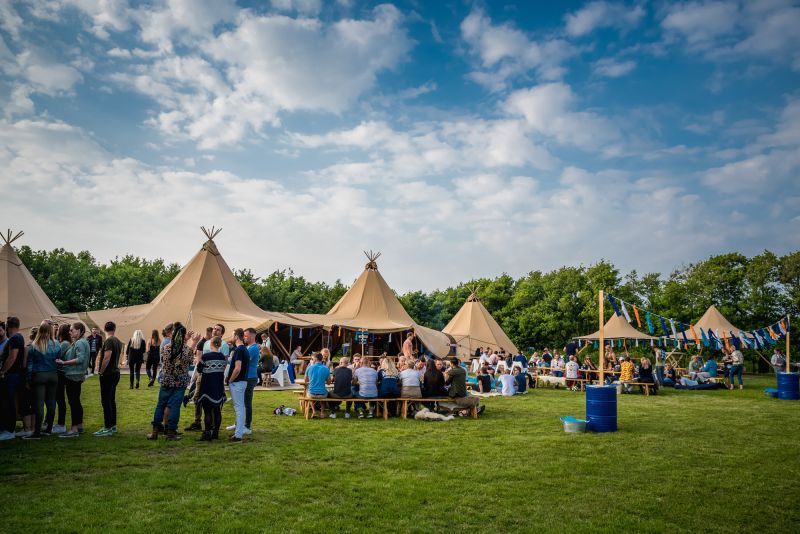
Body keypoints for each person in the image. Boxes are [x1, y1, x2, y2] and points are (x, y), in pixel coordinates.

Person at [146, 323, 200, 441]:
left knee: (160, 405)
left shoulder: (166, 348)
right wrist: (193, 343)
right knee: (175, 407)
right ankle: (171, 433)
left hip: (166, 380)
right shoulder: (186, 350)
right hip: (180, 382)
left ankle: (155, 432)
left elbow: (164, 362)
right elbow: (190, 361)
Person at [23, 323, 61, 439]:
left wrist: (28, 379)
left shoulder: (34, 345)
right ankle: (48, 429)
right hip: (53, 375)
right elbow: (58, 359)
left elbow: (30, 365)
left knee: (38, 405)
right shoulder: (57, 344)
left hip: (39, 375)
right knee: (51, 403)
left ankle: (37, 432)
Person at [55, 322, 90, 438]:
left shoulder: (80, 342)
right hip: (76, 375)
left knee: (73, 402)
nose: (70, 332)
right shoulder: (81, 342)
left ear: (79, 331)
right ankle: (79, 426)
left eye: (72, 330)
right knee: (76, 402)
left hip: (73, 376)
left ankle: (74, 429)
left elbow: (80, 359)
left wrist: (64, 362)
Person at [94, 321, 123, 437]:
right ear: (114, 328)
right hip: (115, 373)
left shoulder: (109, 341)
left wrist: (101, 371)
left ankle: (108, 427)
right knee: (111, 400)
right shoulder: (117, 341)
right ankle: (112, 425)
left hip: (108, 374)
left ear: (104, 329)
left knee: (106, 401)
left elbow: (107, 356)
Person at [195, 336, 226, 440]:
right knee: (217, 410)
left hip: (207, 386)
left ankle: (207, 433)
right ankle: (215, 433)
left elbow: (199, 369)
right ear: (220, 344)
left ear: (210, 344)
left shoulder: (206, 356)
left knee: (207, 411)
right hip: (218, 386)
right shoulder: (222, 356)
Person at [0, 317, 25, 440]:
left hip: (11, 375)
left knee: (8, 402)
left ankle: (9, 430)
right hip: (13, 374)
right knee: (7, 401)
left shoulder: (15, 338)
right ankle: (6, 428)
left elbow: (12, 357)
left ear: (7, 326)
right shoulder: (18, 337)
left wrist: (3, 371)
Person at [226, 329, 249, 442]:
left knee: (239, 408)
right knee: (241, 408)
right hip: (242, 381)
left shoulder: (239, 350)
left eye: (232, 334)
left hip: (237, 382)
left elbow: (237, 368)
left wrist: (230, 380)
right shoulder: (244, 349)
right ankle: (238, 432)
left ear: (236, 336)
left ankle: (238, 435)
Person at [52, 323, 72, 435]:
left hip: (61, 373)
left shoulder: (64, 344)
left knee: (60, 399)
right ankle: (60, 423)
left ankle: (61, 424)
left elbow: (56, 356)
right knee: (59, 398)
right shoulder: (64, 342)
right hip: (60, 373)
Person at [243, 327, 260, 433]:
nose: (244, 337)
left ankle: (247, 426)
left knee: (247, 403)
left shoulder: (253, 348)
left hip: (250, 378)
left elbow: (244, 360)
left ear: (252, 336)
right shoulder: (248, 347)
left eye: (246, 335)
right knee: (242, 403)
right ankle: (239, 423)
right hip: (247, 377)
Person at [305, 353, 331, 418]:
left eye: (312, 359)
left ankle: (314, 411)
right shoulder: (326, 369)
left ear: (315, 359)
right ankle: (322, 413)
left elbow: (305, 381)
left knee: (309, 393)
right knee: (324, 393)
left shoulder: (309, 368)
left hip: (311, 394)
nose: (311, 360)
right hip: (322, 394)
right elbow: (328, 383)